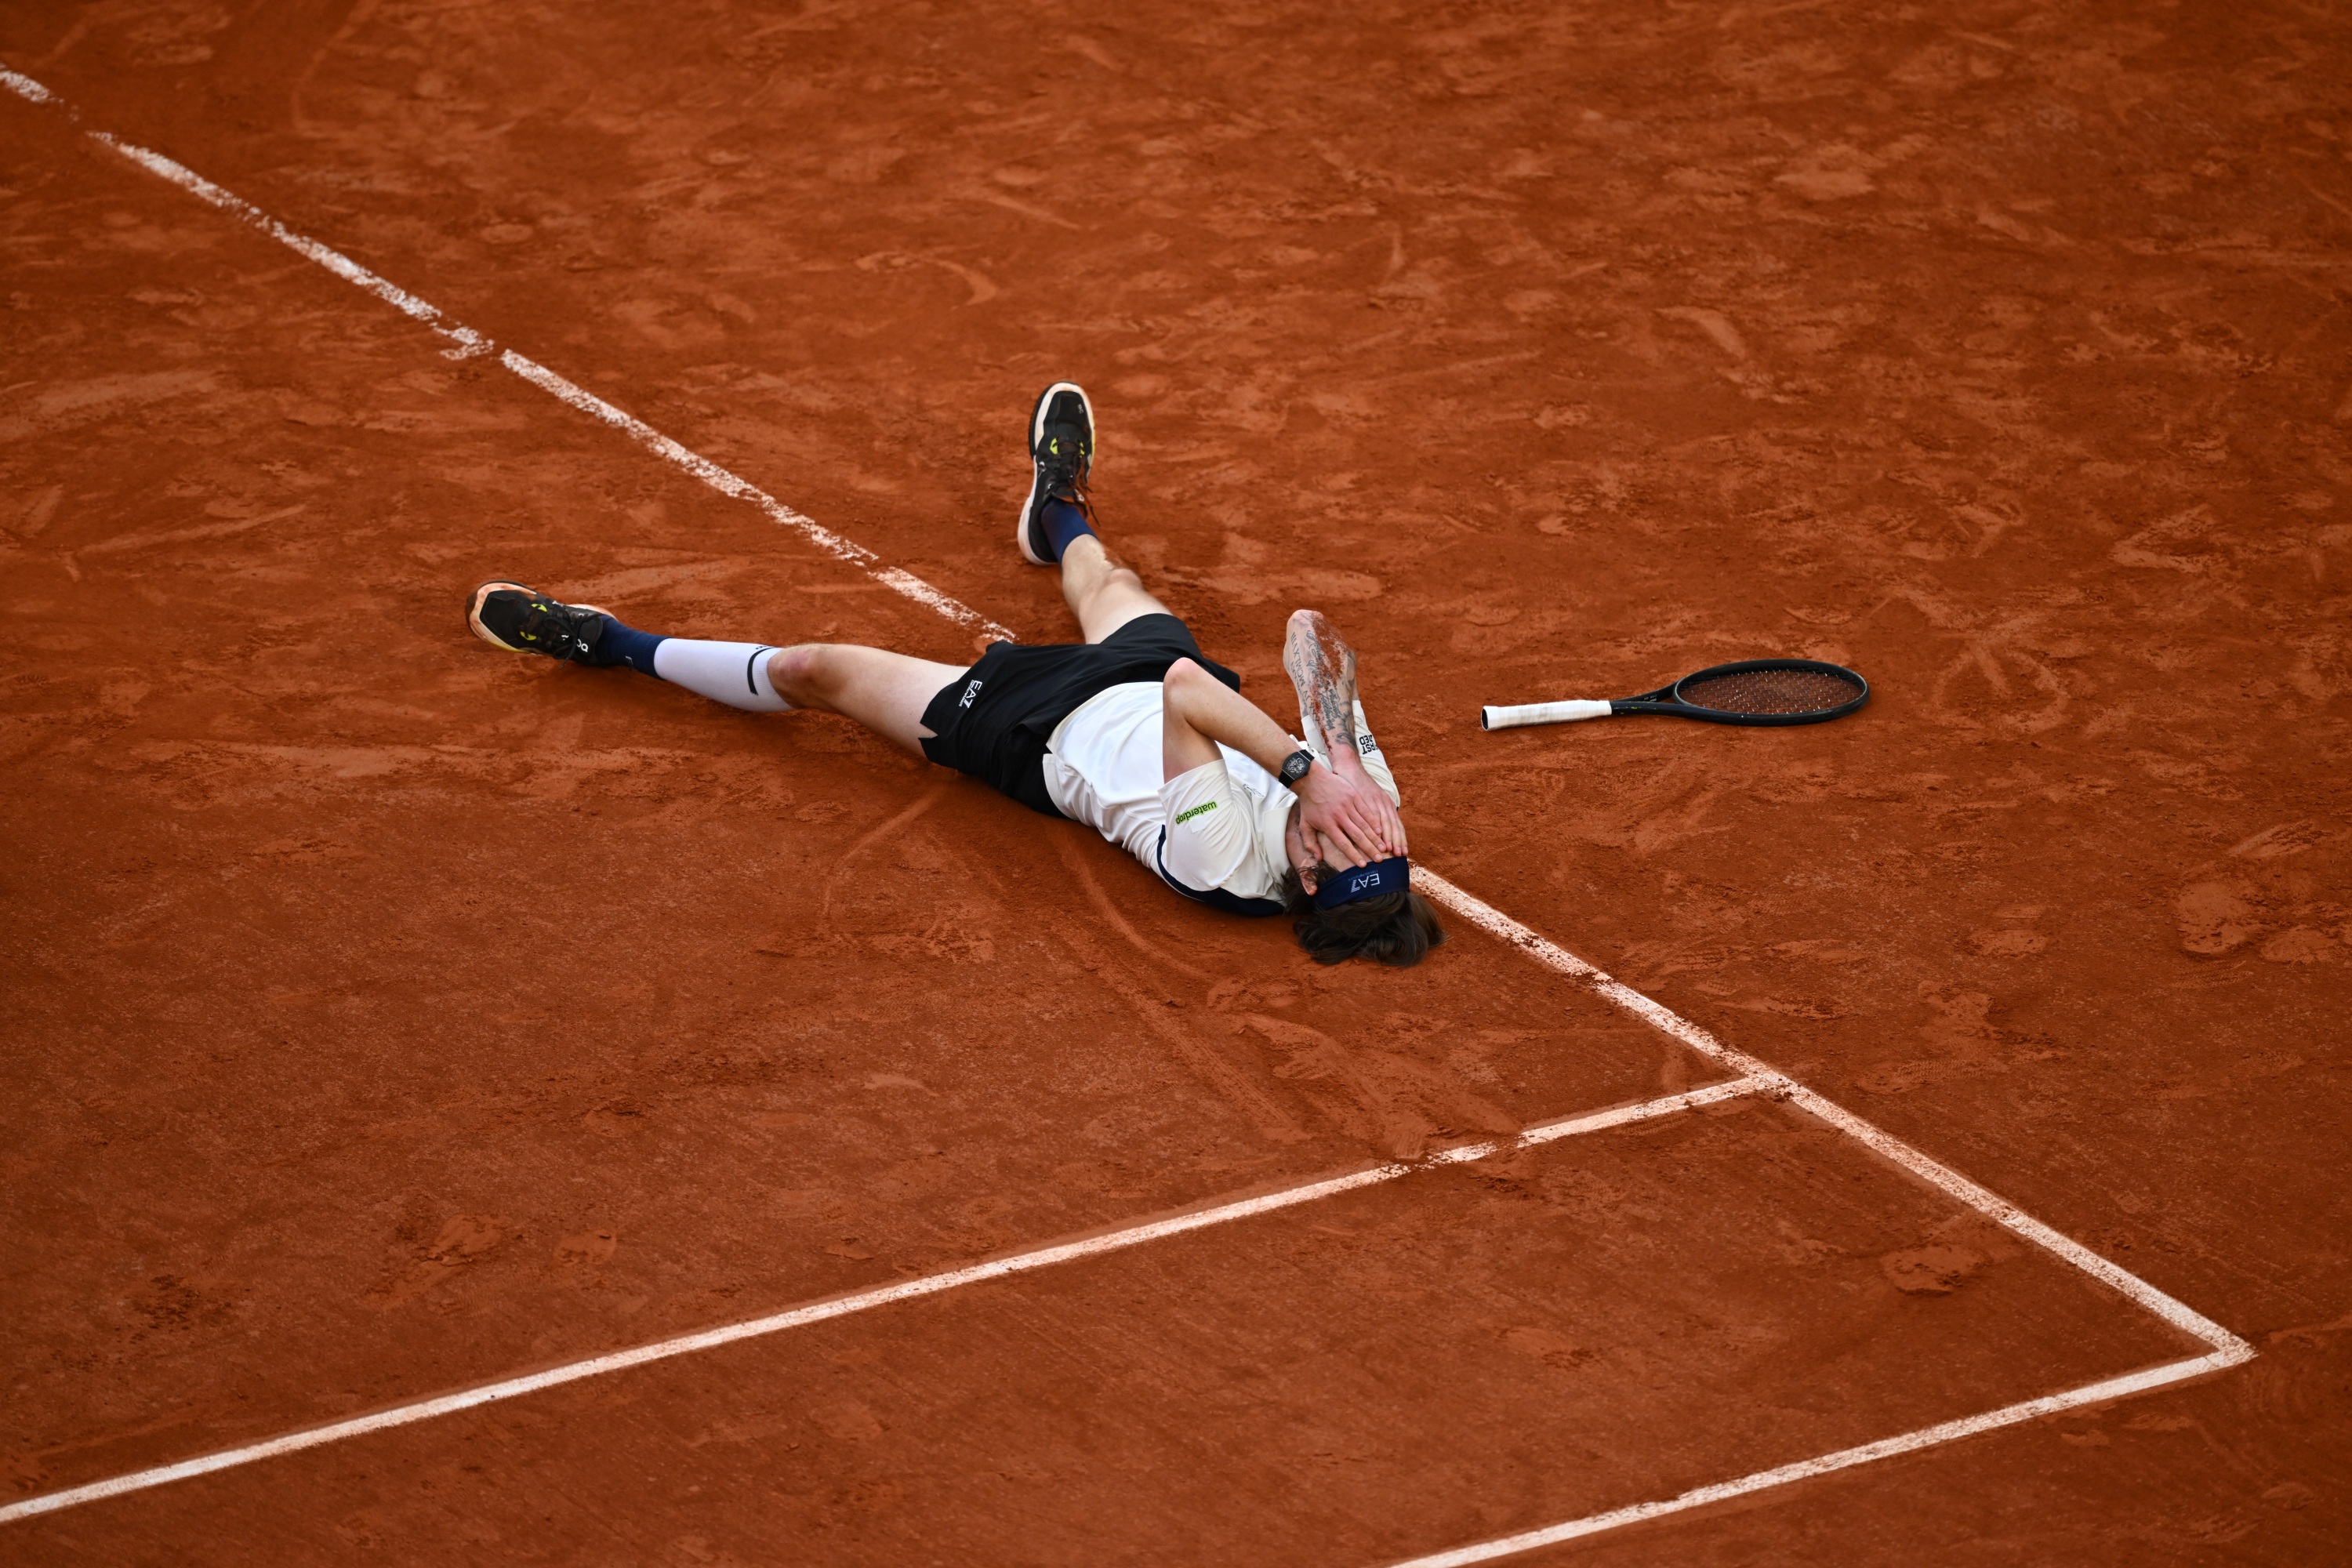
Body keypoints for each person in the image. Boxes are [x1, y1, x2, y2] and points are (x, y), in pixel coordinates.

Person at [464, 382, 1445, 966]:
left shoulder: (1230, 867)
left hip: (1033, 730)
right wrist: (1345, 761)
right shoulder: (1366, 813)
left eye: (1316, 868)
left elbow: (1190, 694)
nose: (1320, 852)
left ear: (1303, 884)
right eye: (1345, 843)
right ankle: (1056, 508)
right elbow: (1314, 639)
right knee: (1108, 576)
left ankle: (607, 641)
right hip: (1152, 679)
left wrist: (1310, 772)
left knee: (820, 669)